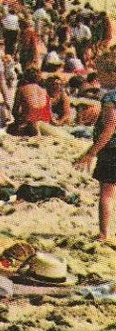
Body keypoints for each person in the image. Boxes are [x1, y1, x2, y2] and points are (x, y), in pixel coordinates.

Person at [71, 50, 116, 244]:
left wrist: (91, 153)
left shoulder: (110, 98)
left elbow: (109, 127)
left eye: (101, 74)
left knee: (106, 193)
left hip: (112, 150)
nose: (98, 78)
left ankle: (104, 234)